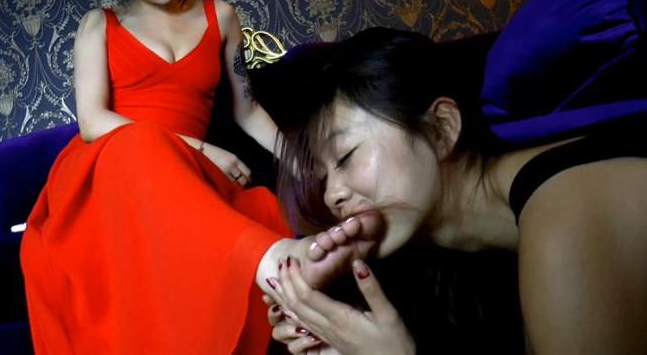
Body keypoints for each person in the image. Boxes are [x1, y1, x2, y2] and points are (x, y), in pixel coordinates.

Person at [19, 0, 376, 353]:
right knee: (138, 144)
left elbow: (247, 109)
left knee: (263, 208)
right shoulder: (99, 24)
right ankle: (270, 260)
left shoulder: (220, 17)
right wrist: (204, 148)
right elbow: (93, 121)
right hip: (110, 172)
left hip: (185, 175)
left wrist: (300, 160)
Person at [261, 28, 647, 354]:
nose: (332, 196)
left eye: (345, 157)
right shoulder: (461, 267)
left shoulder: (564, 221)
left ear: (442, 127)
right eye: (323, 179)